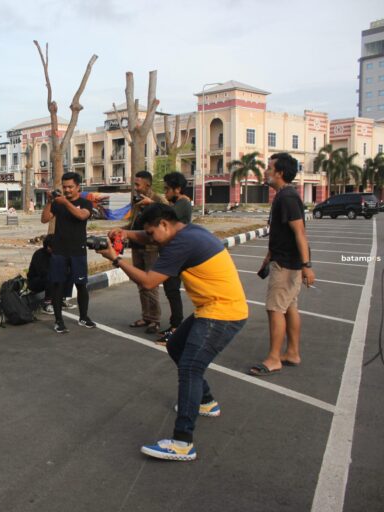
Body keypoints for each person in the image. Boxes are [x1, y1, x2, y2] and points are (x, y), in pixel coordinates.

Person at [102, 203, 248, 461]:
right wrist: (125, 234)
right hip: (212, 307)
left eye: (151, 232)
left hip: (222, 314)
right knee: (175, 346)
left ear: (164, 225)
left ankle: (182, 443)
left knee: (190, 369)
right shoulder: (190, 232)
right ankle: (206, 401)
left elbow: (148, 282)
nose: (151, 238)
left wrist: (115, 259)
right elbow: (147, 236)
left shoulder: (180, 245)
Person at [249, 153, 315, 376]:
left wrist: (306, 265)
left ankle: (274, 358)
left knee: (275, 309)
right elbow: (283, 232)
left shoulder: (287, 197)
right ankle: (292, 353)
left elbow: (300, 232)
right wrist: (269, 256)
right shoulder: (284, 196)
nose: (266, 171)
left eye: (269, 167)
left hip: (287, 265)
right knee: (289, 308)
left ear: (279, 172)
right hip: (284, 260)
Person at [41, 172, 95, 333]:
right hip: (59, 250)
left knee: (81, 285)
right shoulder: (57, 203)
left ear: (78, 187)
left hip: (78, 250)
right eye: (64, 187)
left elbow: (81, 216)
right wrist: (50, 201)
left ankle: (83, 317)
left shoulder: (85, 203)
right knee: (58, 285)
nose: (67, 190)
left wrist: (65, 202)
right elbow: (45, 219)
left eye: (70, 187)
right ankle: (59, 320)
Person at [125, 170, 167, 334]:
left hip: (151, 248)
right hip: (137, 246)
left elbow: (170, 215)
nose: (135, 188)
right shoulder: (137, 200)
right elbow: (133, 222)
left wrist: (151, 204)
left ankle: (155, 320)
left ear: (147, 184)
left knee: (151, 284)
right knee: (141, 283)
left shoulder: (157, 199)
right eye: (134, 184)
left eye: (138, 184)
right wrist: (122, 231)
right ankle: (146, 316)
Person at [155, 171, 193, 345]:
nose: (165, 192)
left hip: (177, 253)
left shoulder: (183, 203)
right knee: (171, 290)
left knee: (172, 289)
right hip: (172, 251)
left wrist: (154, 203)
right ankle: (175, 324)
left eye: (167, 189)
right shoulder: (178, 202)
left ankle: (176, 327)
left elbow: (168, 217)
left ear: (177, 189)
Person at [27, 234, 55, 312]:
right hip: (34, 282)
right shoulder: (39, 255)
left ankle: (60, 300)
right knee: (50, 276)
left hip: (46, 280)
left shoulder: (54, 254)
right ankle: (47, 304)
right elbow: (43, 272)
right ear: (48, 247)